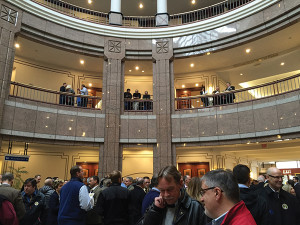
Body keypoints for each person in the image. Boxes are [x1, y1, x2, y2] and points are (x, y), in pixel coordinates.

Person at [137, 165, 207, 225]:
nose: (166, 195)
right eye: (162, 190)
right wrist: (155, 210)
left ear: (180, 184)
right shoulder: (157, 205)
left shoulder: (195, 207)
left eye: (170, 189)